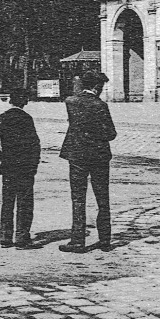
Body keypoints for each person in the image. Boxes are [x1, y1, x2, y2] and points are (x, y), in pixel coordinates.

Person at [59, 71, 117, 253]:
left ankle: (77, 241)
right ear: (97, 87)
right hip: (99, 156)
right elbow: (111, 134)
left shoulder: (71, 102)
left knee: (78, 198)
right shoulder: (101, 105)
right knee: (102, 198)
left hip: (76, 155)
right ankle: (105, 240)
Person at [0, 87, 42, 248]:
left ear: (10, 100)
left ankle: (5, 237)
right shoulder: (26, 119)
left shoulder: (2, 117)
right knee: (25, 202)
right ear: (24, 101)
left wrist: (0, 157)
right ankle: (22, 237)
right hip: (25, 166)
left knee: (7, 202)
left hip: (8, 166)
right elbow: (35, 144)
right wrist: (34, 163)